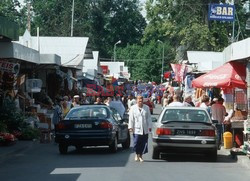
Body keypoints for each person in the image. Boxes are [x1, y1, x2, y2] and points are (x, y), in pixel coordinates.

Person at [128, 95, 152, 162]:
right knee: (136, 142)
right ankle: (137, 154)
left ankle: (140, 155)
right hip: (136, 129)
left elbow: (149, 118)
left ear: (143, 100)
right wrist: (130, 127)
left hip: (145, 128)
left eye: (141, 99)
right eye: (139, 99)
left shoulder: (146, 108)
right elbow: (131, 118)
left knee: (143, 143)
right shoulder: (133, 108)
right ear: (137, 100)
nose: (140, 101)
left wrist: (150, 126)